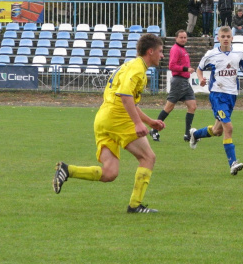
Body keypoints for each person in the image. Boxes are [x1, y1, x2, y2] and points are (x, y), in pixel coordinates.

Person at [53, 34, 166, 214]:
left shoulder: (130, 65)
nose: (162, 56)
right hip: (118, 118)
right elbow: (125, 96)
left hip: (103, 119)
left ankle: (68, 170)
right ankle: (135, 206)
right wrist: (138, 124)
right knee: (148, 158)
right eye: (160, 52)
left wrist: (150, 121)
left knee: (110, 173)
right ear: (150, 51)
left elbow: (129, 100)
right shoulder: (137, 69)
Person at [190, 26, 243, 175]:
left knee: (218, 131)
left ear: (232, 38)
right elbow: (199, 69)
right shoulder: (211, 54)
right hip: (217, 95)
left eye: (228, 36)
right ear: (218, 38)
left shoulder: (238, 54)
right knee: (228, 128)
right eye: (222, 36)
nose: (225, 38)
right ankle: (233, 163)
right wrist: (201, 79)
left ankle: (196, 134)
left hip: (232, 95)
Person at [150, 30, 196, 142]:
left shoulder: (182, 49)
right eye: (181, 37)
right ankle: (154, 130)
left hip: (184, 81)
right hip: (179, 82)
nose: (183, 39)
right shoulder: (175, 49)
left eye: (185, 37)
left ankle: (187, 134)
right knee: (169, 107)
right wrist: (186, 69)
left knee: (192, 106)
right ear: (176, 38)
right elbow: (172, 65)